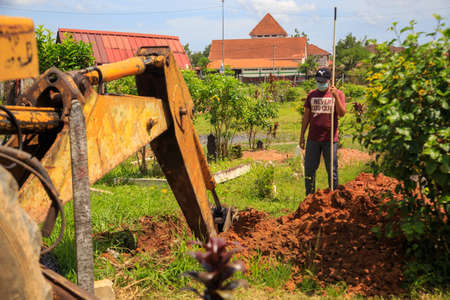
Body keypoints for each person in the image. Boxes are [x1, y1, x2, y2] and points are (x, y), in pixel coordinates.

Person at [299, 67, 346, 195]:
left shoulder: (338, 94)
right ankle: (309, 197)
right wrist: (302, 136)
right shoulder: (311, 95)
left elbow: (342, 113)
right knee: (309, 169)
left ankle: (333, 195)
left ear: (329, 81)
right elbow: (306, 117)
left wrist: (336, 97)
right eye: (318, 81)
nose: (320, 84)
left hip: (330, 140)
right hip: (313, 139)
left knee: (332, 170)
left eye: (323, 81)